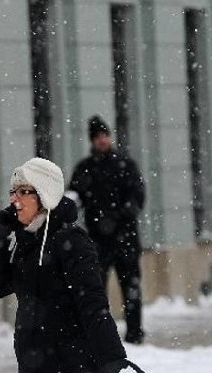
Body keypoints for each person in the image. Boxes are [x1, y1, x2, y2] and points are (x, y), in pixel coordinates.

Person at [0, 157, 129, 373]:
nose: (14, 199)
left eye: (24, 191)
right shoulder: (25, 243)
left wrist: (110, 355)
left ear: (44, 195)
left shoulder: (72, 241)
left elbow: (93, 303)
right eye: (13, 191)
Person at [69, 115, 146, 344]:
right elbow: (75, 197)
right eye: (98, 137)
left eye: (105, 136)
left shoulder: (125, 165)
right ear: (92, 141)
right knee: (95, 290)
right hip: (97, 240)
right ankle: (98, 332)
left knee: (130, 286)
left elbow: (137, 198)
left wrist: (118, 217)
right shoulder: (85, 169)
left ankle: (134, 332)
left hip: (125, 237)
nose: (102, 140)